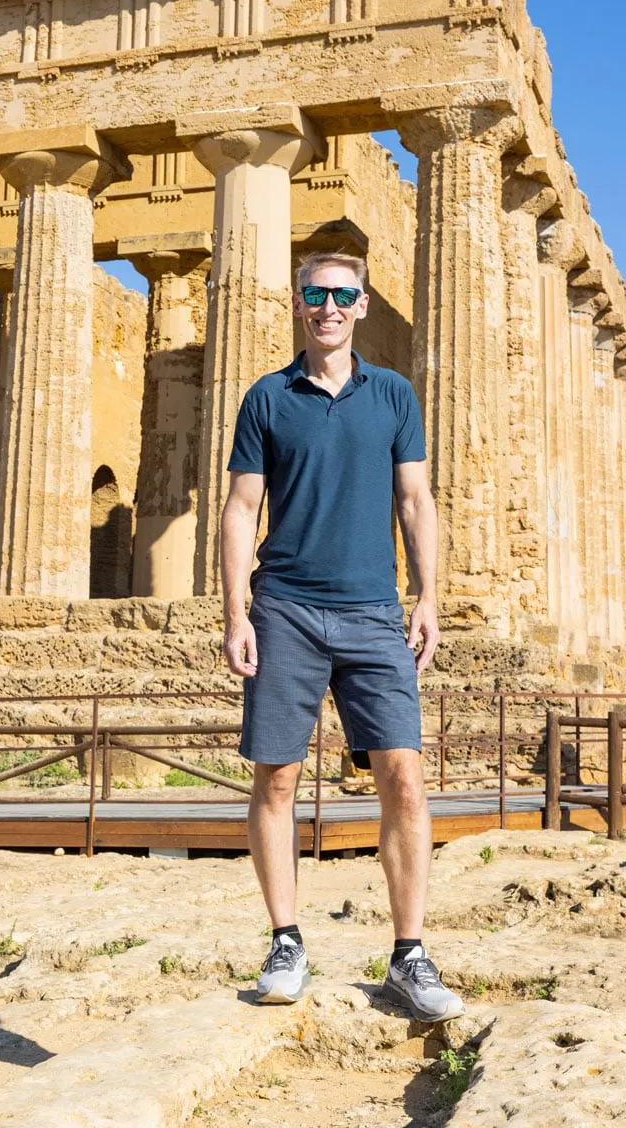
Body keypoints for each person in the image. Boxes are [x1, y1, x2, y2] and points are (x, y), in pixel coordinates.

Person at [220, 252, 464, 1023]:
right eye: (315, 294)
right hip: (285, 606)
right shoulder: (266, 397)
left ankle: (409, 953)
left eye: (342, 295)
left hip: (371, 610)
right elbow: (238, 509)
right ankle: (286, 940)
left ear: (361, 305)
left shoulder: (393, 394)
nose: (328, 307)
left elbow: (416, 498)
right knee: (277, 778)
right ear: (298, 304)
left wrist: (429, 595)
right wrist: (233, 611)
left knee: (403, 777)